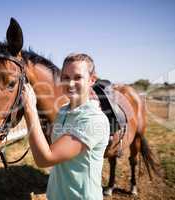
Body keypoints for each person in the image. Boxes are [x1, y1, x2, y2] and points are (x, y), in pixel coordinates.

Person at [22, 53, 110, 200]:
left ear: (92, 80)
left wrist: (30, 109)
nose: (70, 84)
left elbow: (45, 159)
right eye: (66, 78)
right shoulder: (63, 111)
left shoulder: (94, 120)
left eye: (78, 77)